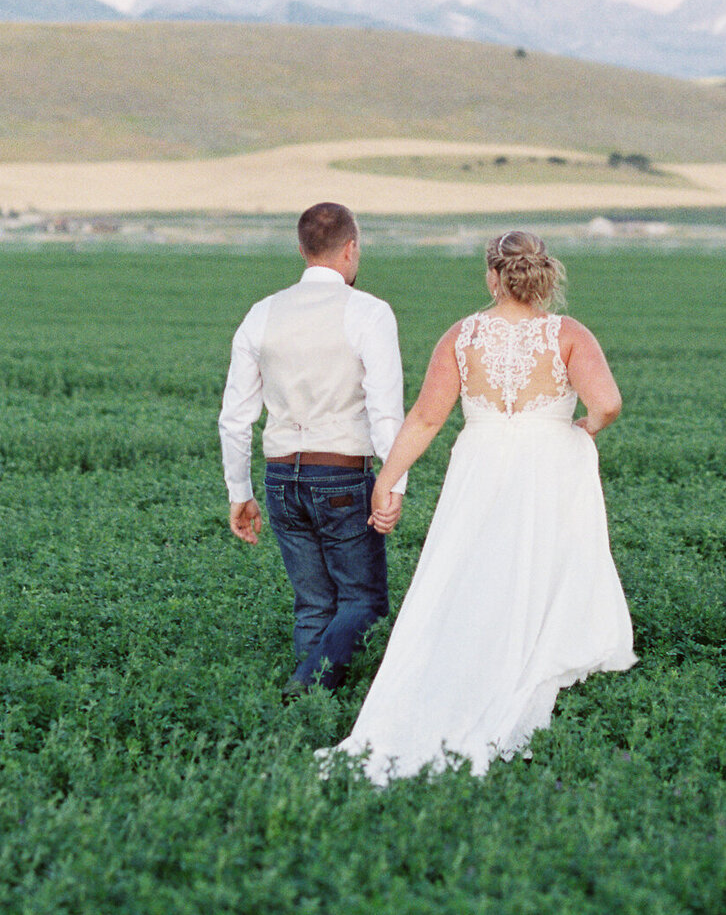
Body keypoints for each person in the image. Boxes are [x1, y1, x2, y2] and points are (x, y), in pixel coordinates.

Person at [329, 229, 635, 783]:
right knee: (546, 564)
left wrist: (388, 480)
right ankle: (533, 660)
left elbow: (425, 418)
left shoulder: (461, 336)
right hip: (550, 462)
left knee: (471, 569)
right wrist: (587, 427)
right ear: (542, 275)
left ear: (492, 277)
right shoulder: (568, 333)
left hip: (482, 462)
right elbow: (608, 401)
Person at [218, 201, 406, 692]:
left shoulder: (262, 313)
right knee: (364, 602)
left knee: (314, 605)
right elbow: (386, 412)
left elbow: (235, 417)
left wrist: (240, 492)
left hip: (280, 478)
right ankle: (306, 687)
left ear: (302, 250)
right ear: (351, 248)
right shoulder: (369, 312)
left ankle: (309, 719)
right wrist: (394, 481)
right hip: (342, 474)